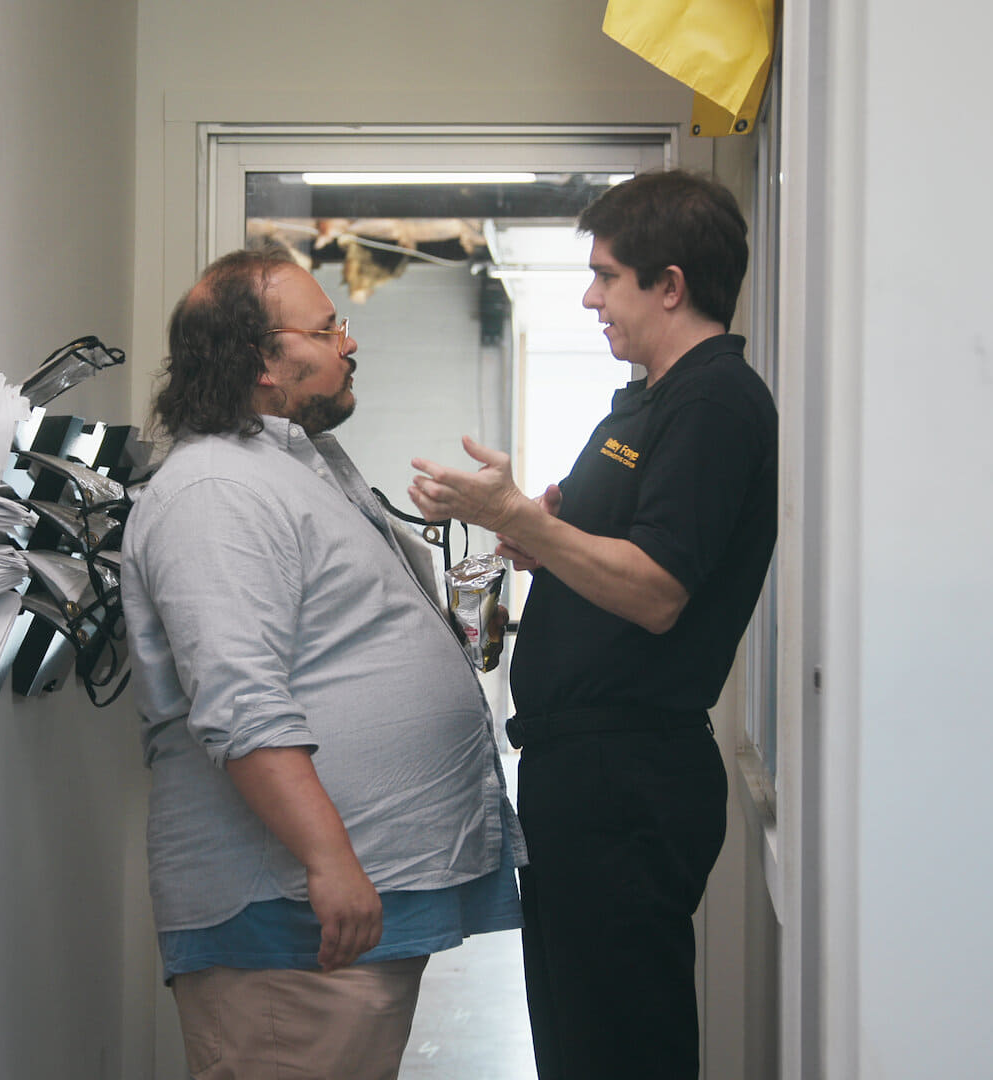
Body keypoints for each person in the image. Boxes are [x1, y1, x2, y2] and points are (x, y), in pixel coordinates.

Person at [121, 248, 525, 1080]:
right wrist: (329, 860)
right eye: (327, 328)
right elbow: (240, 702)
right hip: (287, 922)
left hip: (336, 909)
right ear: (263, 362)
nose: (349, 343)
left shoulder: (288, 468)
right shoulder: (214, 491)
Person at [407, 170, 776, 1079]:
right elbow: (604, 546)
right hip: (583, 773)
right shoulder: (646, 400)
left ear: (670, 285)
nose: (591, 297)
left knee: (619, 1049)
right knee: (579, 1042)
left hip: (628, 776)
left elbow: (656, 591)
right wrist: (529, 529)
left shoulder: (713, 402)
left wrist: (523, 522)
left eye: (607, 276)